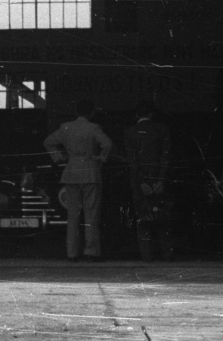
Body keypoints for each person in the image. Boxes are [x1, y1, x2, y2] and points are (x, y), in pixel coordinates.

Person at [44, 98, 113, 261]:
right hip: (90, 170)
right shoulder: (94, 128)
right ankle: (91, 252)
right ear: (92, 112)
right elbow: (108, 144)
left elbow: (48, 142)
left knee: (73, 215)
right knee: (91, 215)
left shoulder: (66, 127)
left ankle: (72, 252)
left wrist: (59, 157)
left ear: (76, 112)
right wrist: (101, 158)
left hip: (71, 170)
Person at [124, 101, 174, 261]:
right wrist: (160, 180)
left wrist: (141, 182)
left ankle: (147, 256)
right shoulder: (162, 129)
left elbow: (133, 162)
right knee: (163, 221)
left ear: (136, 115)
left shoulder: (130, 132)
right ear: (151, 114)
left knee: (143, 222)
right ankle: (166, 255)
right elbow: (165, 157)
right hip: (160, 181)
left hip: (140, 183)